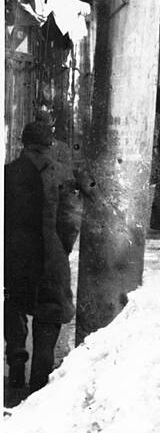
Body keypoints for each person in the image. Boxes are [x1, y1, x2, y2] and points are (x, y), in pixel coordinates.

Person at [4, 121, 76, 399]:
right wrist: (62, 248)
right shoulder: (62, 174)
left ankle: (17, 362)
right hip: (51, 255)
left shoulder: (7, 173)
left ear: (23, 142)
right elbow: (70, 220)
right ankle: (39, 382)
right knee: (49, 314)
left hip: (15, 256)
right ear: (50, 143)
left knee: (15, 305)